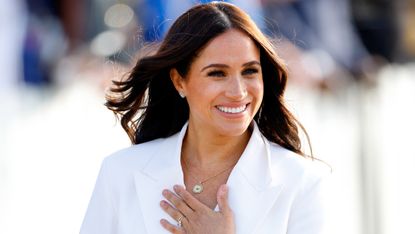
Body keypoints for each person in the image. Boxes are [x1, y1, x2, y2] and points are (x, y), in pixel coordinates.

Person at [80, 2, 330, 234]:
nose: (239, 91)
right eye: (217, 73)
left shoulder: (303, 182)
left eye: (250, 71)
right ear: (179, 80)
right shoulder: (120, 172)